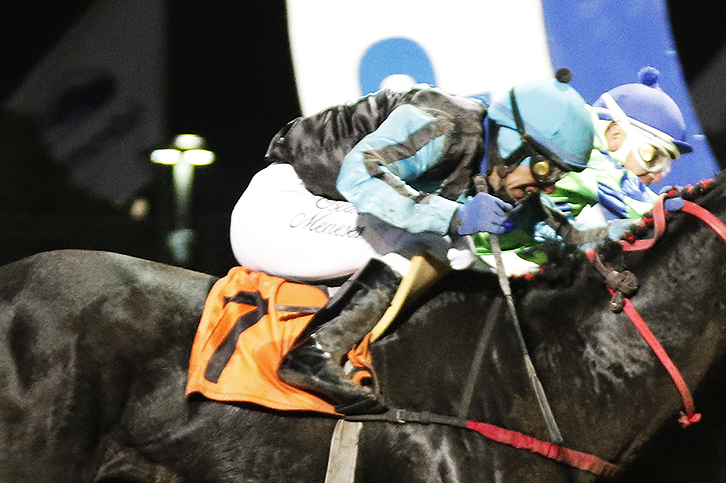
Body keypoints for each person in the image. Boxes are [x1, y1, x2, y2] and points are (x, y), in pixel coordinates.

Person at [228, 72, 596, 413]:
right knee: (440, 241)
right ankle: (314, 353)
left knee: (459, 253)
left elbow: (550, 230)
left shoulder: (491, 160)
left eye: (560, 175)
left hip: (321, 218)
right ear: (514, 142)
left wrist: (614, 237)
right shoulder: (441, 123)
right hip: (276, 211)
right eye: (547, 169)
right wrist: (455, 216)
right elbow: (359, 175)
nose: (550, 186)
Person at [475, 67, 694, 273]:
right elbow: (637, 202)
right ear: (616, 136)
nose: (656, 177)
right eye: (653, 157)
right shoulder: (589, 156)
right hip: (480, 248)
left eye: (665, 167)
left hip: (512, 245)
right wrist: (685, 212)